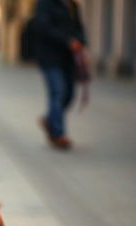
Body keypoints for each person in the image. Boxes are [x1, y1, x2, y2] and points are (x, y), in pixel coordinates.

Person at [32, 0, 87, 150]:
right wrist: (67, 41)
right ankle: (58, 134)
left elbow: (79, 27)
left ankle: (50, 120)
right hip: (50, 57)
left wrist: (80, 41)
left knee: (69, 94)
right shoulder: (45, 3)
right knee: (57, 91)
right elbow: (43, 27)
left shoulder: (72, 5)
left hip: (68, 59)